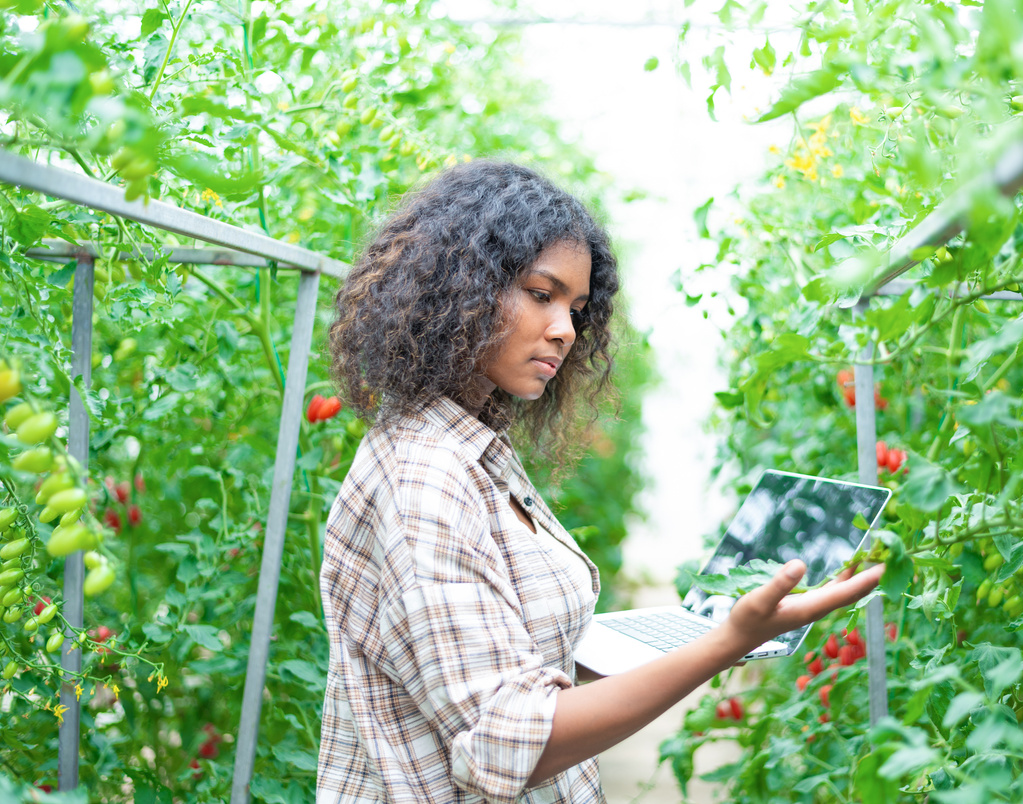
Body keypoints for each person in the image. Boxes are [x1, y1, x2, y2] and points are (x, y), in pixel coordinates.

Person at [317, 160, 884, 803]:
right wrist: (727, 641)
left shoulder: (472, 444)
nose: (564, 329)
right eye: (540, 293)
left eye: (577, 307)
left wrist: (667, 638)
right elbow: (509, 744)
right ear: (461, 287)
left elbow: (491, 649)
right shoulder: (426, 475)